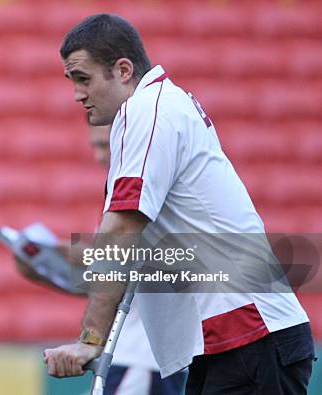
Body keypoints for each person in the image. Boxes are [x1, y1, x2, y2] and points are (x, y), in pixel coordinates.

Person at [43, 14, 314, 395]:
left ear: (123, 70)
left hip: (249, 335)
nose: (77, 94)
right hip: (231, 340)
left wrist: (91, 339)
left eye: (83, 79)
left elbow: (121, 232)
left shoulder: (147, 110)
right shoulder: (157, 107)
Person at [15, 124, 186, 394]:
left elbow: (176, 271)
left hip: (143, 357)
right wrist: (42, 269)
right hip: (123, 354)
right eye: (95, 146)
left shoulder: (155, 198)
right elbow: (111, 290)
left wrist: (87, 256)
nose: (99, 155)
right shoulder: (120, 200)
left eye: (106, 145)